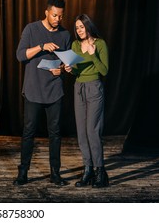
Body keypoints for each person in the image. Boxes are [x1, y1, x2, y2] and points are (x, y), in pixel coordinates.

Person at [14, 0, 71, 186]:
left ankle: (55, 173)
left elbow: (66, 61)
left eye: (61, 16)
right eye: (54, 15)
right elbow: (20, 55)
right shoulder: (31, 29)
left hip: (54, 89)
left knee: (55, 133)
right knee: (29, 131)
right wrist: (41, 46)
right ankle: (23, 173)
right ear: (46, 12)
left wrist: (61, 69)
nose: (58, 19)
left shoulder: (65, 34)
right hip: (33, 89)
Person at [64, 14, 109, 188]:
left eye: (81, 27)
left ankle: (100, 172)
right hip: (79, 88)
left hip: (94, 87)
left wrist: (93, 54)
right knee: (81, 133)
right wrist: (70, 69)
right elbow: (76, 70)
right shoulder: (75, 45)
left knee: (92, 131)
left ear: (88, 26)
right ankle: (88, 169)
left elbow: (104, 71)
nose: (79, 30)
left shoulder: (100, 44)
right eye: (76, 28)